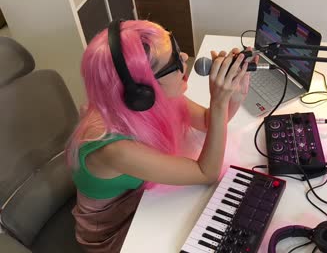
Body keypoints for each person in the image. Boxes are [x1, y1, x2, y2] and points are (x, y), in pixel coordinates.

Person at [65, 20, 256, 253]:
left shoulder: (145, 99)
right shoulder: (115, 150)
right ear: (140, 91)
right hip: (116, 230)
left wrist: (234, 92)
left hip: (144, 202)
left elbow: (209, 122)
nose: (185, 57)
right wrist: (219, 101)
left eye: (177, 50)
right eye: (176, 61)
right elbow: (206, 173)